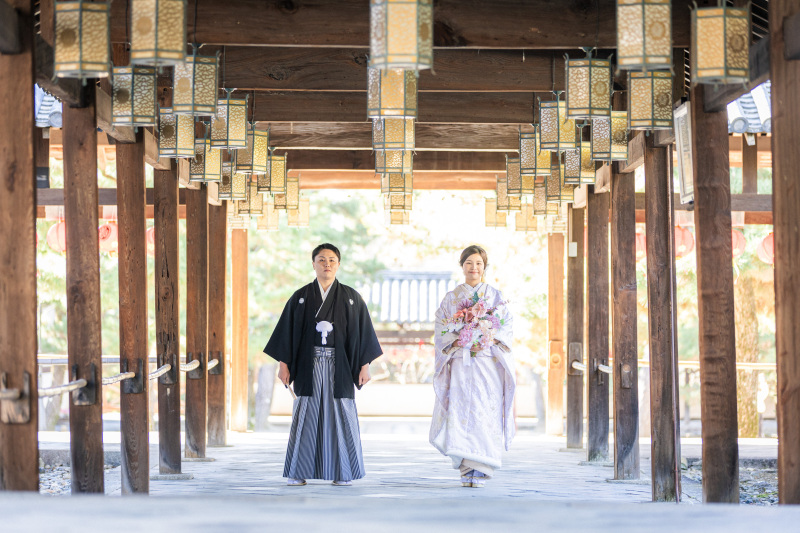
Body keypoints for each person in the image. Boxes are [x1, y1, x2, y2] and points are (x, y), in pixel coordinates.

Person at [264, 243, 382, 486]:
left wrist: (364, 365)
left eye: (331, 260)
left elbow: (363, 333)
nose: (327, 264)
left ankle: (343, 472)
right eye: (321, 260)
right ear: (313, 264)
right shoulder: (300, 297)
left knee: (341, 414)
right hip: (309, 366)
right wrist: (284, 364)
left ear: (338, 264)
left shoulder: (351, 298)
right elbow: (287, 333)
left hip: (341, 367)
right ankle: (298, 471)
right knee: (306, 412)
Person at [429, 245, 516, 488]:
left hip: (487, 362)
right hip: (461, 364)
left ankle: (483, 467)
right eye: (469, 263)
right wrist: (457, 338)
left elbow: (506, 326)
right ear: (462, 266)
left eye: (478, 263)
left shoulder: (495, 296)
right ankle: (467, 467)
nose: (474, 268)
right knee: (461, 413)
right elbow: (441, 327)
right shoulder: (451, 298)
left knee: (484, 411)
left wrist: (487, 337)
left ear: (484, 266)